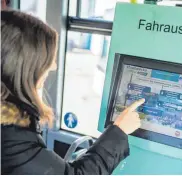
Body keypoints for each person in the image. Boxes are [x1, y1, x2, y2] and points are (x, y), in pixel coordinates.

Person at [1, 10, 145, 175]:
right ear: (24, 68)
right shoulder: (12, 138)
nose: (53, 66)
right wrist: (119, 131)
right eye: (47, 60)